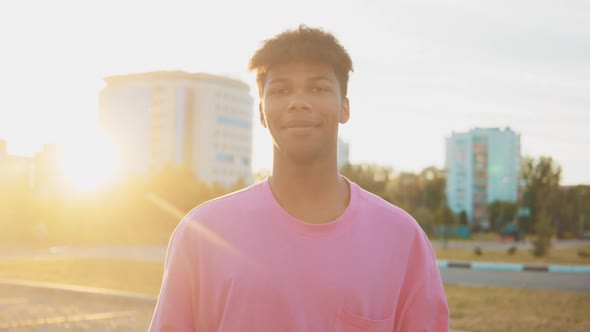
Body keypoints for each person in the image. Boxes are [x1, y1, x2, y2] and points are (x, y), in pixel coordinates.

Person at [149, 25, 449, 331]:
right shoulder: (203, 233)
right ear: (262, 113)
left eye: (318, 88)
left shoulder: (401, 237)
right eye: (280, 90)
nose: (298, 102)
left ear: (344, 107)